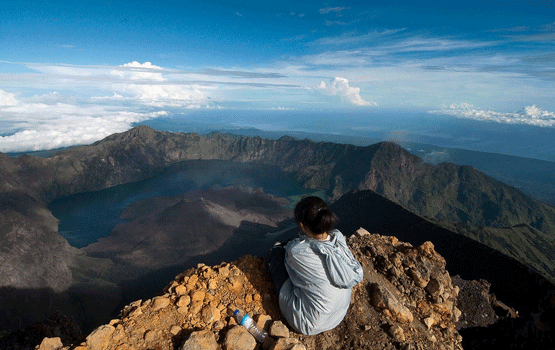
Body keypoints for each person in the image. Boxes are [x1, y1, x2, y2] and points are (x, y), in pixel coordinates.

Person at [266, 196, 363, 336]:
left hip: (308, 323)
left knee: (275, 254)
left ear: (302, 225)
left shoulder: (298, 252)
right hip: (338, 316)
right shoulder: (339, 238)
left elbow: (289, 257)